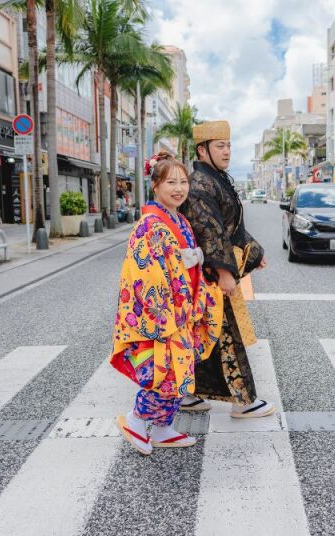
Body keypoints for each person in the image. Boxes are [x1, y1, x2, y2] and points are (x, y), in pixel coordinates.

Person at [110, 152, 224, 456]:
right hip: (164, 313)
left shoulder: (178, 219)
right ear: (155, 186)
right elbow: (145, 274)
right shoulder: (150, 224)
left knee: (181, 371)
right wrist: (169, 309)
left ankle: (161, 428)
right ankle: (136, 420)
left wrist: (195, 298)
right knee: (165, 373)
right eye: (170, 181)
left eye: (183, 181)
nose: (179, 188)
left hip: (182, 309)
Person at [178, 120, 276, 418]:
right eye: (220, 146)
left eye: (229, 145)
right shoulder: (199, 184)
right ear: (202, 150)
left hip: (214, 268)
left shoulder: (216, 178)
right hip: (209, 272)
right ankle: (243, 402)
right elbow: (211, 232)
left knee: (206, 331)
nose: (227, 151)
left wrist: (253, 249)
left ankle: (189, 392)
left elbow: (233, 226)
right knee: (224, 331)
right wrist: (224, 272)